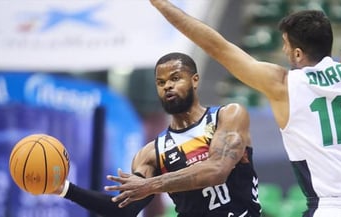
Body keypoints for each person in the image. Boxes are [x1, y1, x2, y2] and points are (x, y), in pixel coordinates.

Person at [146, 0, 341, 217]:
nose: (284, 50)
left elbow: (217, 46)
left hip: (332, 208)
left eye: (286, 45)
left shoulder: (284, 85)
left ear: (297, 54)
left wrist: (162, 5)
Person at [53, 52, 261, 217]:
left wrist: (149, 185)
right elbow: (123, 210)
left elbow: (217, 170)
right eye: (160, 82)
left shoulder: (228, 115)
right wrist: (66, 189)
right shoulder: (151, 153)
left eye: (175, 78)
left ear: (195, 80)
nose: (167, 86)